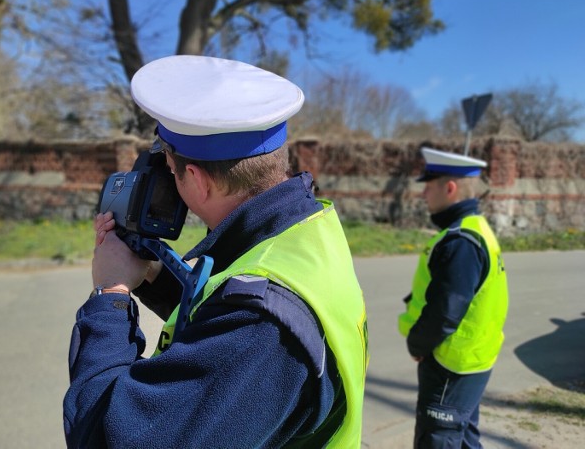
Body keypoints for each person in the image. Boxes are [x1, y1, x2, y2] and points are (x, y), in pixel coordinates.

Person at [63, 55, 369, 448]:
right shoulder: (305, 230)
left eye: (170, 167)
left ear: (195, 178)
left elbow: (109, 435)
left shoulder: (261, 327)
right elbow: (222, 309)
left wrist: (110, 295)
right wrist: (151, 275)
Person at [398, 147, 509, 448]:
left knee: (440, 439)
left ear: (450, 188)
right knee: (463, 438)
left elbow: (446, 312)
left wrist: (417, 343)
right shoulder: (477, 229)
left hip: (450, 364)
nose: (423, 196)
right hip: (471, 360)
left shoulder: (460, 241)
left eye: (428, 187)